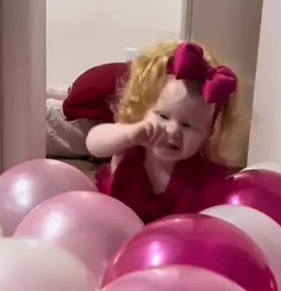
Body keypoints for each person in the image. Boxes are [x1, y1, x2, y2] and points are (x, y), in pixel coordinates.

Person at [87, 40, 239, 222]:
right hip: (116, 228)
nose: (173, 131)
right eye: (163, 116)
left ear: (207, 133)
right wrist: (128, 134)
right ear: (143, 110)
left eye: (187, 125)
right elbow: (93, 143)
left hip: (176, 238)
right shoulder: (130, 146)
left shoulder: (202, 175)